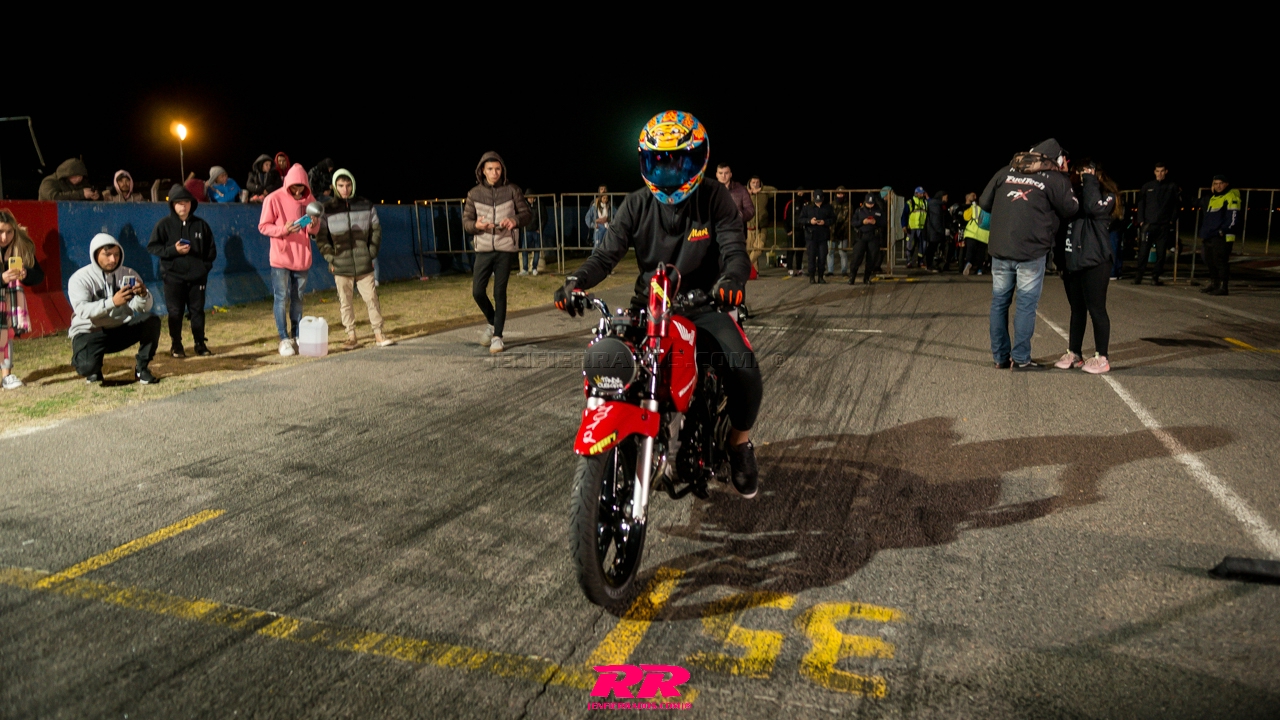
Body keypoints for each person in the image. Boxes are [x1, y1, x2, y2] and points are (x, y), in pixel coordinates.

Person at [552, 110, 760, 498]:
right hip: (649, 308)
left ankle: (739, 444)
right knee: (611, 364)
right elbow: (605, 254)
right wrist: (576, 282)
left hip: (705, 305)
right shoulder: (635, 204)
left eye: (677, 160)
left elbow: (734, 248)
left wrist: (732, 280)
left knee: (744, 369)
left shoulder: (715, 198)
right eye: (658, 161)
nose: (667, 170)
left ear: (698, 159)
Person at [978, 138, 1079, 370]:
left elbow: (984, 202)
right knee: (1025, 305)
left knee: (999, 303)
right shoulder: (1054, 178)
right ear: (1056, 159)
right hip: (1031, 251)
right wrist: (1064, 177)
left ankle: (1000, 357)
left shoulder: (1005, 171)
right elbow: (1071, 208)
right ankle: (1021, 359)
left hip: (1001, 249)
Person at [67, 233, 161, 384]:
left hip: (119, 328)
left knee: (151, 320)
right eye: (107, 254)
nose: (113, 259)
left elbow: (143, 308)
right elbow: (82, 311)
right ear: (95, 254)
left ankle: (141, 368)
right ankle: (93, 369)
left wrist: (143, 295)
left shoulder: (128, 274)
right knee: (86, 367)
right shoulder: (80, 278)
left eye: (116, 254)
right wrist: (112, 302)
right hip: (90, 332)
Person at [316, 169, 394, 349]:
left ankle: (378, 333)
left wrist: (371, 252)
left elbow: (376, 230)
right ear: (335, 186)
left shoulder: (366, 205)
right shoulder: (327, 209)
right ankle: (351, 336)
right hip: (341, 265)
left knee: (372, 298)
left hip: (364, 263)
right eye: (341, 186)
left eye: (348, 185)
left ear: (353, 185)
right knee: (345, 302)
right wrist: (331, 258)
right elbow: (321, 238)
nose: (345, 189)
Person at [462, 151, 530, 354]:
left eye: (498, 169)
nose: (494, 173)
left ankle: (497, 336)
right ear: (482, 171)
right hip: (483, 248)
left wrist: (514, 220)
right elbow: (466, 222)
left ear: (503, 170)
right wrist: (476, 225)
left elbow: (527, 214)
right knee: (477, 291)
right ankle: (493, 322)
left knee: (499, 292)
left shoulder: (512, 190)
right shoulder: (474, 193)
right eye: (490, 169)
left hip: (505, 247)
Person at [1055, 162, 1118, 374]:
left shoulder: (1107, 196)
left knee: (1097, 309)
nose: (1081, 177)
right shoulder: (1075, 197)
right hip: (1074, 261)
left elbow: (1094, 208)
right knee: (1077, 310)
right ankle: (1075, 353)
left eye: (1086, 173)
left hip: (1096, 261)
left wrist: (1090, 181)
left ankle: (1102, 357)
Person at [147, 184, 216, 358]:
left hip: (197, 278)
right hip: (173, 277)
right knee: (175, 312)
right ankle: (176, 345)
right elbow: (153, 247)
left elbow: (211, 250)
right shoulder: (164, 225)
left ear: (192, 203)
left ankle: (200, 344)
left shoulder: (201, 225)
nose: (183, 206)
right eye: (178, 202)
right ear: (172, 204)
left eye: (186, 202)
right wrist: (173, 250)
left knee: (197, 311)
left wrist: (203, 268)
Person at [258, 163, 320, 356]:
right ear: (288, 184)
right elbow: (263, 226)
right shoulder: (273, 198)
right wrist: (283, 229)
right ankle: (284, 338)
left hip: (301, 257)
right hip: (281, 258)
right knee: (281, 298)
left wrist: (314, 224)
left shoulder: (310, 200)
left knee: (298, 298)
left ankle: (297, 335)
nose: (298, 191)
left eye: (301, 187)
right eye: (295, 187)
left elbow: (314, 231)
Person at [0, 211, 46, 390]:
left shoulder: (21, 248)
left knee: (5, 333)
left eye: (9, 232)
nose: (4, 237)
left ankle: (6, 376)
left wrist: (26, 274)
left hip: (8, 301)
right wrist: (2, 279)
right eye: (1, 232)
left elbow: (39, 276)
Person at [1133, 161, 1180, 285]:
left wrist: (1172, 220)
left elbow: (1176, 205)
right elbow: (1141, 204)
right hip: (1148, 225)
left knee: (1161, 253)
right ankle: (1138, 276)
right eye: (1157, 171)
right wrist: (1141, 220)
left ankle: (1155, 277)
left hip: (1163, 226)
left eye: (1162, 171)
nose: (1160, 174)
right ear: (1154, 172)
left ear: (1166, 172)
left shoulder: (1171, 187)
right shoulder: (1147, 186)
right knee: (1143, 252)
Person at [1198, 174, 1241, 296]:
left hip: (1222, 236)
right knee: (1210, 261)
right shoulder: (1214, 198)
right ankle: (1214, 284)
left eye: (1221, 183)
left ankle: (1223, 287)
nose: (1218, 186)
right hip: (1210, 235)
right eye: (1215, 184)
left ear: (1226, 184)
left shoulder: (1231, 197)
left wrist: (1222, 231)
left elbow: (1233, 218)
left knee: (1220, 262)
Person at [798, 189, 835, 284]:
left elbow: (833, 219)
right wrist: (809, 221)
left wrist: (825, 222)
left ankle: (821, 277)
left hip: (823, 236)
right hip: (811, 236)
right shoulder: (807, 207)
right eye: (816, 200)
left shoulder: (828, 207)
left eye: (820, 200)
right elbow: (800, 219)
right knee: (811, 257)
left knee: (822, 257)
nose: (818, 202)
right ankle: (812, 277)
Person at [848, 193, 883, 285]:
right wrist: (862, 222)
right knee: (857, 257)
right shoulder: (859, 211)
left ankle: (867, 278)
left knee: (872, 259)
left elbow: (883, 222)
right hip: (861, 237)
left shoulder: (878, 211)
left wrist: (876, 222)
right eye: (868, 203)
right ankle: (852, 277)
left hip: (873, 237)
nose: (870, 205)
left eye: (872, 203)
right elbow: (853, 222)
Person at [746, 177, 771, 270]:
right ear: (749, 183)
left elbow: (775, 190)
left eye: (757, 182)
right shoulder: (745, 192)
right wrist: (748, 191)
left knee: (759, 248)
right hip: (749, 226)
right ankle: (755, 272)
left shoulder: (764, 192)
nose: (755, 184)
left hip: (761, 226)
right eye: (753, 182)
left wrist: (761, 189)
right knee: (749, 250)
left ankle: (745, 265)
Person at [961, 192, 989, 275]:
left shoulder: (974, 207)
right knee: (981, 253)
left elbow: (966, 217)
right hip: (984, 234)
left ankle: (968, 262)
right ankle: (979, 269)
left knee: (970, 250)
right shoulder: (989, 210)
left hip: (972, 233)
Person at [783, 188, 808, 276]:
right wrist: (788, 230)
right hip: (792, 230)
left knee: (800, 251)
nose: (801, 194)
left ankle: (799, 268)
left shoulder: (806, 203)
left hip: (802, 231)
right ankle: (790, 268)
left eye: (803, 192)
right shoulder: (790, 203)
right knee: (791, 250)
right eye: (799, 192)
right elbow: (785, 217)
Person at [519, 191, 544, 276]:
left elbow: (544, 217)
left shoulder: (539, 205)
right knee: (524, 250)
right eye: (529, 197)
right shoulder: (524, 205)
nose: (531, 199)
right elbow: (521, 217)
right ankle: (525, 269)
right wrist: (523, 228)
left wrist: (540, 228)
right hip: (527, 230)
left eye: (532, 197)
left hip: (536, 231)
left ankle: (534, 268)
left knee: (537, 250)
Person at [924, 189, 950, 273]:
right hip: (934, 232)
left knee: (932, 248)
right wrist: (941, 231)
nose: (947, 199)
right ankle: (930, 265)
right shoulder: (936, 205)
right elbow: (936, 220)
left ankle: (931, 265)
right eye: (946, 197)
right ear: (942, 197)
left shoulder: (937, 204)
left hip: (934, 231)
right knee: (932, 248)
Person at [903, 187, 927, 268]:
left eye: (923, 193)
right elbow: (904, 215)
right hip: (912, 228)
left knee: (923, 246)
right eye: (921, 193)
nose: (922, 194)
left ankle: (920, 262)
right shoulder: (910, 203)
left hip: (922, 228)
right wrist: (904, 225)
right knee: (910, 246)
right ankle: (909, 262)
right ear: (916, 193)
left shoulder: (925, 203)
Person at [828, 187, 850, 276]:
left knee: (843, 252)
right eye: (838, 193)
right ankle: (830, 271)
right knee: (830, 252)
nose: (840, 195)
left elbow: (848, 220)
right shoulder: (831, 204)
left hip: (843, 232)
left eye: (842, 193)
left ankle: (844, 271)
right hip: (832, 232)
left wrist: (842, 229)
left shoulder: (848, 205)